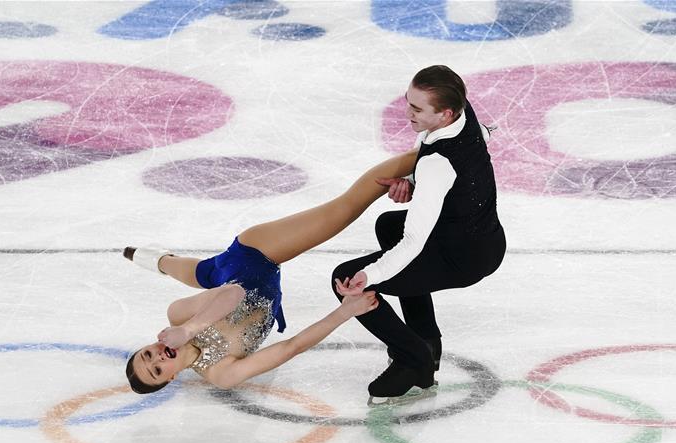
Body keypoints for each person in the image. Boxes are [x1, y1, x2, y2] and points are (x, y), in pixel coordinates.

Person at [123, 150, 418, 394]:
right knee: (202, 271)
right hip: (232, 278)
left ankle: (431, 153)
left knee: (344, 208)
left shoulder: (178, 317)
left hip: (254, 256)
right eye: (157, 369)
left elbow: (234, 292)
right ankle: (158, 259)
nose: (158, 357)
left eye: (148, 354)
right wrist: (346, 311)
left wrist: (187, 330)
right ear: (170, 378)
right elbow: (291, 348)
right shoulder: (221, 373)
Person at [333, 65, 506, 405]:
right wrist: (413, 185)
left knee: (345, 277)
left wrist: (370, 276)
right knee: (388, 225)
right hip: (483, 239)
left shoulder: (437, 163)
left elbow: (414, 240)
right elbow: (481, 136)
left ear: (445, 114)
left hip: (462, 258)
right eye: (408, 102)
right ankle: (426, 338)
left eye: (416, 109)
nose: (407, 112)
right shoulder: (464, 116)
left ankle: (414, 360)